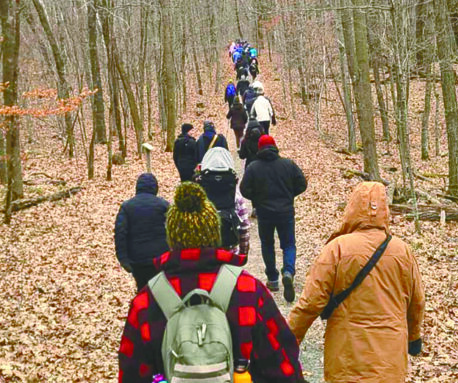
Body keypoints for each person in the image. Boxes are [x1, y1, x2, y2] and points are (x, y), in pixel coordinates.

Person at [118, 182, 306, 383]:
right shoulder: (249, 290)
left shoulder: (147, 300)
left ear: (170, 238)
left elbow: (131, 373)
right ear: (215, 234)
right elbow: (283, 367)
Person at [288, 182, 425, 383]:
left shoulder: (336, 249)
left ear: (351, 209)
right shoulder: (402, 251)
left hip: (346, 359)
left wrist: (288, 340)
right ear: (385, 211)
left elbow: (310, 303)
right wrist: (414, 338)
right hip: (389, 361)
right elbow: (417, 301)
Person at [240, 135, 307, 303]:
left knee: (268, 244)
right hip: (286, 212)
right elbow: (302, 184)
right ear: (275, 147)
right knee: (289, 244)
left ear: (259, 148)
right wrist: (289, 195)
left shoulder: (254, 167)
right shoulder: (288, 164)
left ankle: (272, 279)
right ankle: (288, 272)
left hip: (265, 213)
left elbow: (244, 189)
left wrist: (257, 198)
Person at [114, 173, 170, 291]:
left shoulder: (127, 207)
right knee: (160, 292)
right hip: (160, 259)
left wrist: (123, 259)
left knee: (142, 291)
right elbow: (174, 230)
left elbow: (120, 233)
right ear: (155, 188)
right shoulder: (163, 205)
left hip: (137, 260)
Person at [196, 147, 247, 253]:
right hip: (230, 254)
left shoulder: (197, 195)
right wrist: (243, 251)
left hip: (204, 255)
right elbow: (244, 227)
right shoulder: (235, 196)